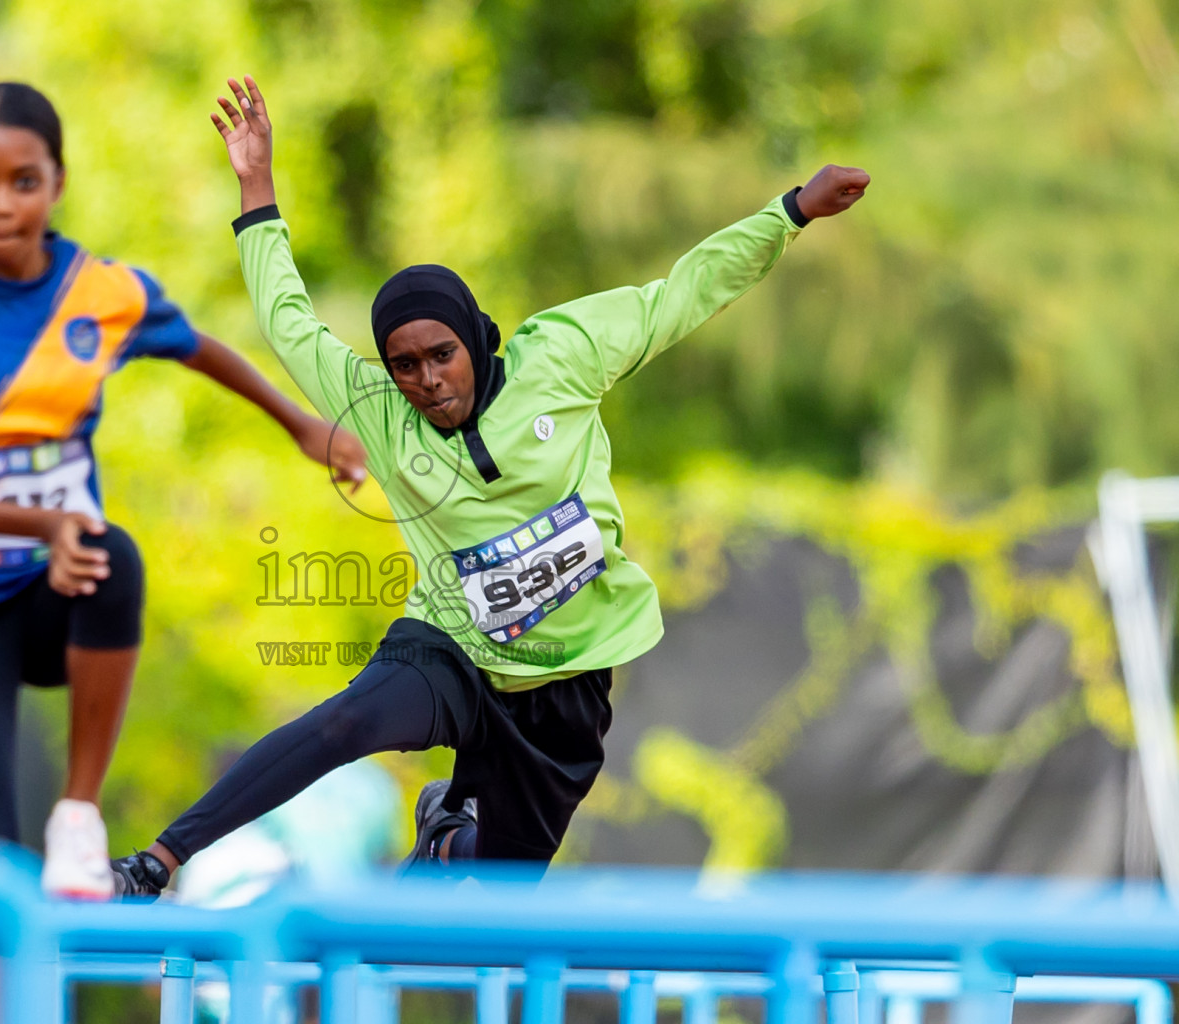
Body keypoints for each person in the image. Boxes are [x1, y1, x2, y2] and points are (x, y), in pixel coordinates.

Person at [109, 76, 868, 897]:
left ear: (474, 340)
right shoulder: (379, 411)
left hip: (568, 682)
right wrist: (256, 190)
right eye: (405, 365)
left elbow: (683, 294)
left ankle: (443, 846)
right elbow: (287, 320)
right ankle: (157, 862)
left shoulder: (562, 358)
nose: (428, 381)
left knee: (486, 905)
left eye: (442, 355)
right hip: (455, 649)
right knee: (350, 720)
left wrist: (791, 211)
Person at [0, 81, 367, 1020]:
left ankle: (79, 814)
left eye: (24, 180)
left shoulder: (98, 290)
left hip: (58, 588)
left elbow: (196, 345)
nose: (1, 203)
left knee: (113, 555)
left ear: (57, 182)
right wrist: (44, 525)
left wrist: (305, 425)